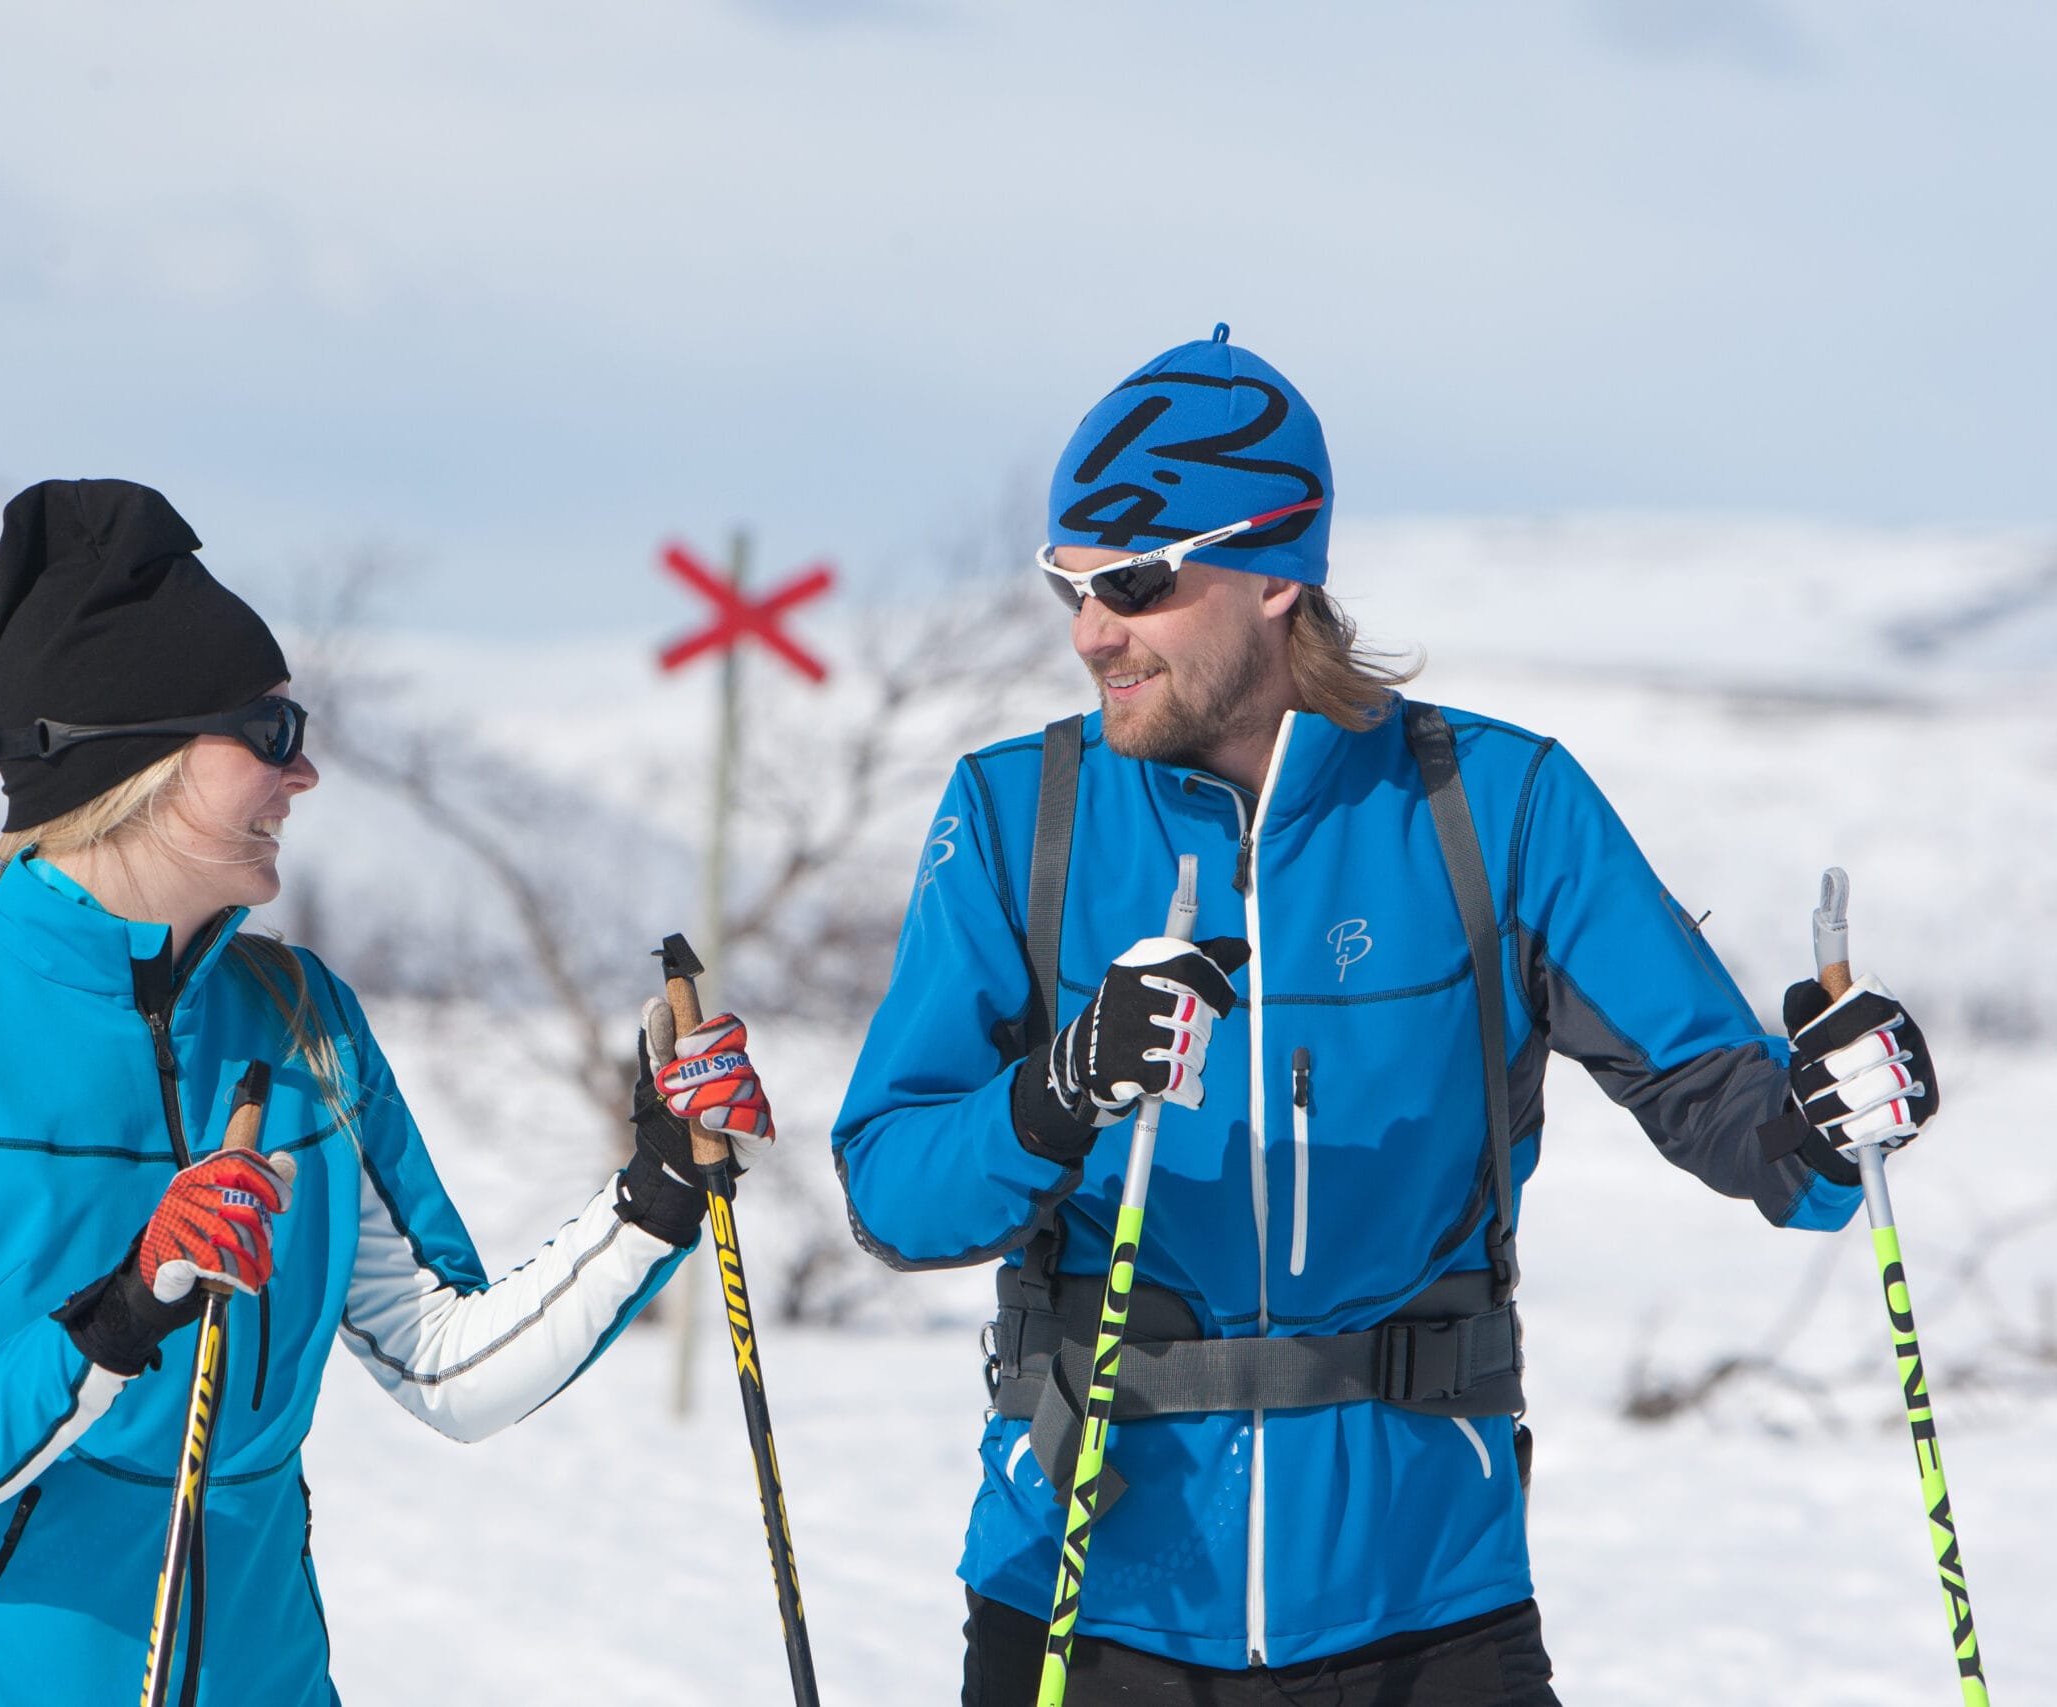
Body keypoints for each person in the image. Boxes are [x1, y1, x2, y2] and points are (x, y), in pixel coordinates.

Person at [831, 328, 1940, 1705]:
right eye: (1069, 583)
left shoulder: (1498, 806)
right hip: (1086, 1595)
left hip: (1425, 1605)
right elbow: (891, 1192)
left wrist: (1831, 1119)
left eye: (1135, 580)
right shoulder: (1018, 816)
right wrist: (1056, 1091)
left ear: (1277, 574)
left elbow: (1733, 1111)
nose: (1089, 630)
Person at [0, 478, 771, 1706]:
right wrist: (119, 1315)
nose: (302, 771)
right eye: (268, 730)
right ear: (136, 762)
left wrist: (661, 1189)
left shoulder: (304, 1019)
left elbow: (444, 1360)